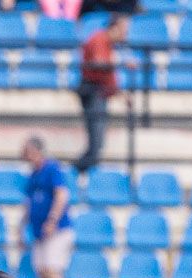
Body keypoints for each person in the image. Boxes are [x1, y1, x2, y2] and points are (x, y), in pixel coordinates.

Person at [22, 135, 72, 278]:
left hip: (55, 230)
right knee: (42, 272)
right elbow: (28, 203)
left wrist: (52, 220)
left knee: (51, 269)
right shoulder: (32, 175)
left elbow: (61, 195)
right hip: (39, 233)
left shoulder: (52, 169)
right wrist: (22, 227)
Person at [75, 14, 128, 175]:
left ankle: (82, 174)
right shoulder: (99, 40)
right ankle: (76, 172)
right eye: (124, 30)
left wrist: (120, 93)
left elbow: (107, 74)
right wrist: (123, 63)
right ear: (115, 27)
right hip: (93, 90)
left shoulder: (106, 43)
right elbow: (100, 65)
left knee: (97, 141)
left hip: (98, 91)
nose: (125, 34)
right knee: (96, 141)